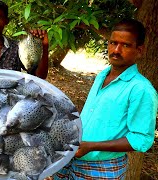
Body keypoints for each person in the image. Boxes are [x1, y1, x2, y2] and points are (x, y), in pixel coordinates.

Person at [52, 19, 158, 179]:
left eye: (126, 45)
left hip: (102, 168)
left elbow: (142, 138)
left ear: (140, 50)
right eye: (113, 42)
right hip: (71, 158)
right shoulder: (102, 75)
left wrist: (92, 146)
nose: (116, 50)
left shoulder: (140, 89)